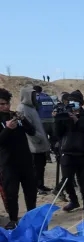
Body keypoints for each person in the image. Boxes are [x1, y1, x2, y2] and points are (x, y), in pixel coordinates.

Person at [54, 90, 84, 211]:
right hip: (68, 152)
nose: (72, 103)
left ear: (81, 103)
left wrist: (77, 121)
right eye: (70, 101)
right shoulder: (65, 114)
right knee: (67, 179)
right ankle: (73, 201)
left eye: (75, 101)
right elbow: (58, 133)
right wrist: (58, 120)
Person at [0, 88, 37, 229]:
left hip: (26, 161)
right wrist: (7, 129)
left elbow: (32, 131)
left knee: (30, 191)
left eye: (7, 103)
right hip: (8, 163)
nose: (5, 106)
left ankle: (32, 216)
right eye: (2, 104)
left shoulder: (15, 115)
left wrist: (24, 120)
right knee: (11, 193)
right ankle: (13, 219)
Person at [17, 86, 51, 198]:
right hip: (33, 144)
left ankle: (40, 185)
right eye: (33, 96)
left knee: (41, 166)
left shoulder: (31, 108)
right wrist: (38, 138)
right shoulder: (22, 108)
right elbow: (27, 128)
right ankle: (36, 187)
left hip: (39, 143)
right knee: (36, 168)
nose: (35, 98)